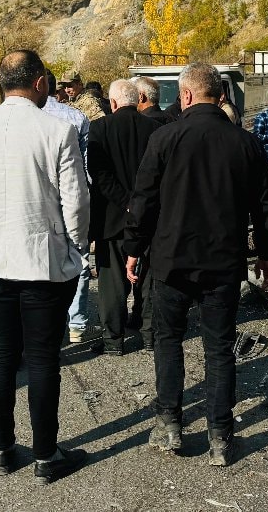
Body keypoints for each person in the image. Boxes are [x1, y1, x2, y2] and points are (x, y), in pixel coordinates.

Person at [123, 63, 268, 467]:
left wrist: (133, 247)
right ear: (221, 95)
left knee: (168, 341)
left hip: (171, 260)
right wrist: (266, 253)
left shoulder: (164, 138)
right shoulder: (246, 143)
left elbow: (143, 200)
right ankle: (220, 437)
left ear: (186, 95)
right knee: (219, 348)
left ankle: (170, 424)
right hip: (222, 262)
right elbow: (264, 206)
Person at [0, 49, 90, 482]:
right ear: (40, 82)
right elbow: (75, 201)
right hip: (42, 259)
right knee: (43, 357)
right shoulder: (58, 130)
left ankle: (3, 448)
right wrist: (76, 246)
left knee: (0, 352)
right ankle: (47, 455)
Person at [87, 79, 159, 354]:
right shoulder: (154, 128)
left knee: (111, 283)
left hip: (111, 218)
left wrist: (125, 201)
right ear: (138, 99)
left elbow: (99, 173)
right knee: (149, 278)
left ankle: (113, 340)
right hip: (148, 215)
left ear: (113, 102)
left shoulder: (100, 128)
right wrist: (138, 203)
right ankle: (150, 335)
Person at [40, 71, 97, 344]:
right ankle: (76, 323)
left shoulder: (16, 120)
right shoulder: (75, 117)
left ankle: (47, 325)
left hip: (36, 201)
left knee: (39, 263)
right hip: (71, 196)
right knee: (78, 259)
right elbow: (86, 169)